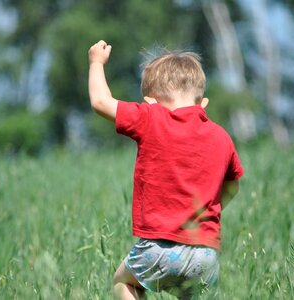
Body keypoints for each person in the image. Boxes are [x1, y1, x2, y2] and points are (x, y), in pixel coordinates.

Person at [88, 40, 244, 299]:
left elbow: (101, 102)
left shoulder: (151, 117)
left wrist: (96, 63)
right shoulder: (221, 136)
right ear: (202, 103)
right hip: (205, 255)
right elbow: (233, 186)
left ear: (150, 101)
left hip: (158, 249)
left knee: (123, 282)